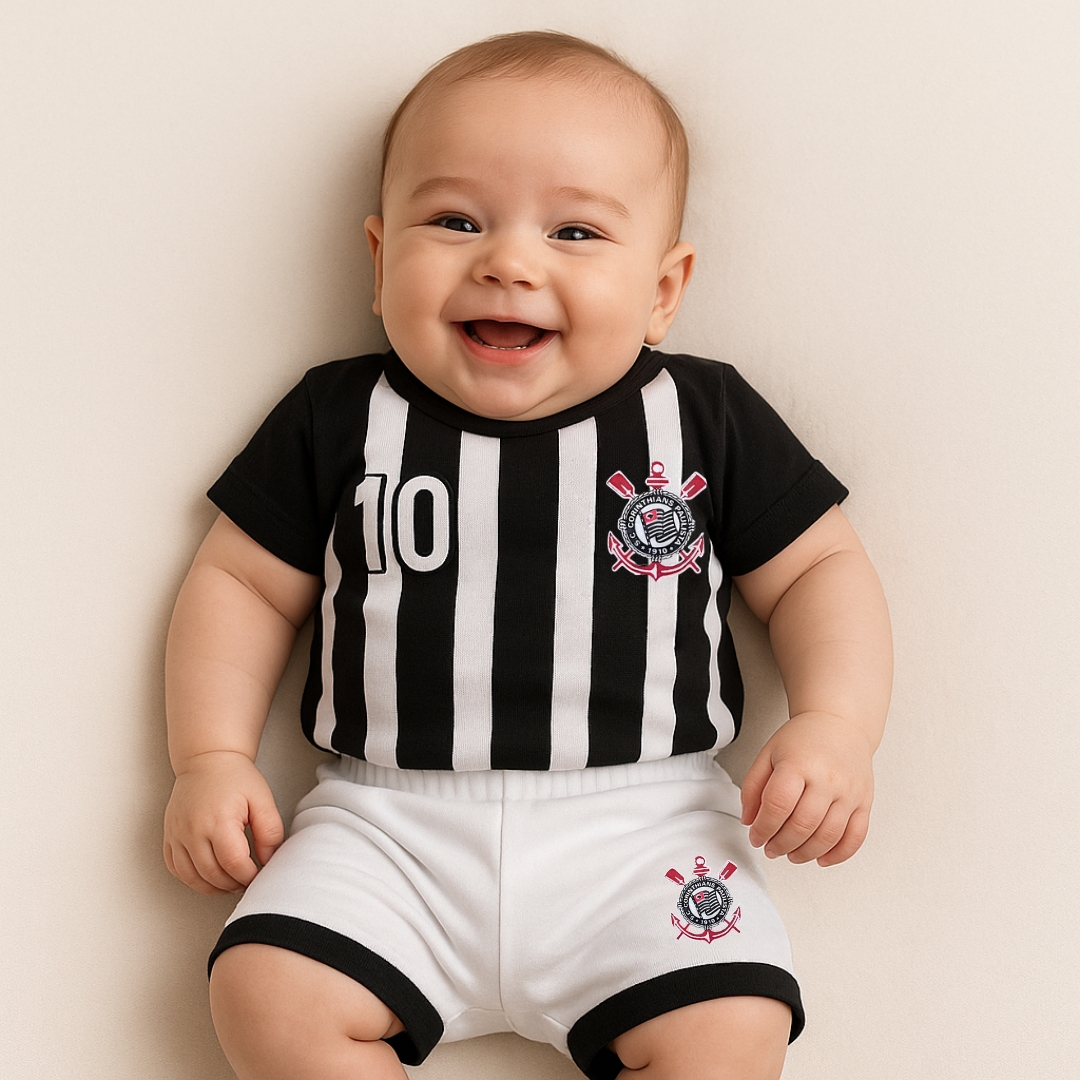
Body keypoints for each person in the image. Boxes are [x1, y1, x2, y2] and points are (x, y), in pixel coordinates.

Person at [163, 30, 891, 1080]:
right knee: (264, 990)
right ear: (379, 259)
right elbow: (240, 584)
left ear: (664, 287)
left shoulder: (703, 416)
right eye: (456, 221)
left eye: (576, 231)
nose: (509, 262)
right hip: (385, 827)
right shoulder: (337, 415)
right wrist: (211, 757)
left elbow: (820, 572)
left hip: (647, 829)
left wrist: (837, 723)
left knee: (733, 1029)